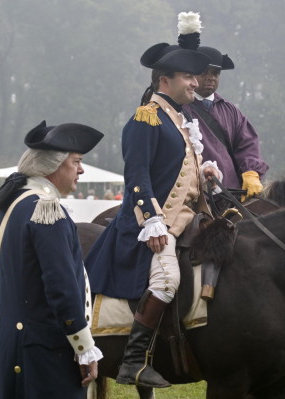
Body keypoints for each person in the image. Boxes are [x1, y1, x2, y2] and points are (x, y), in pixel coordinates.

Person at [85, 11, 220, 389]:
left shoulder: (178, 119)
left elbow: (176, 174)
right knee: (166, 280)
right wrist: (152, 221)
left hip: (185, 219)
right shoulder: (146, 118)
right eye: (189, 77)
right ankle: (133, 361)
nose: (197, 83)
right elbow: (138, 177)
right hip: (152, 225)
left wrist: (204, 174)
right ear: (165, 80)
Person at [0, 121, 104, 398]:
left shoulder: (8, 206)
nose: (81, 170)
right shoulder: (47, 211)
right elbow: (62, 287)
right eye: (76, 162)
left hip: (8, 342)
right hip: (43, 351)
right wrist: (83, 348)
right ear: (54, 166)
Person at [182, 45, 269, 201]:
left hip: (232, 194)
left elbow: (247, 144)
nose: (211, 77)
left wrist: (251, 172)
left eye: (215, 73)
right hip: (194, 195)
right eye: (204, 72)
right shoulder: (179, 107)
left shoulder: (231, 110)